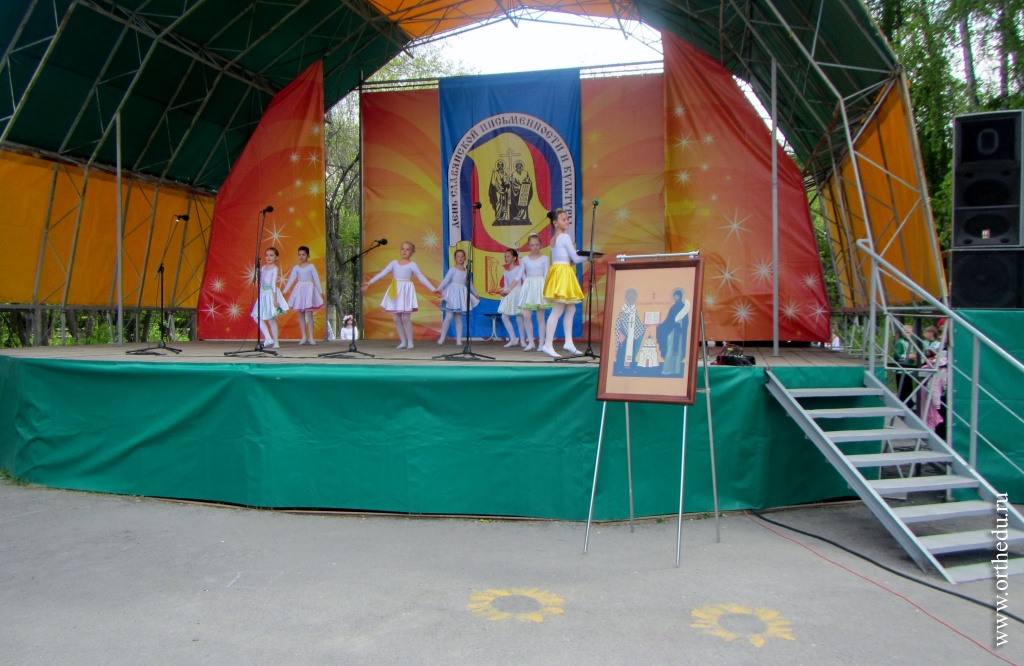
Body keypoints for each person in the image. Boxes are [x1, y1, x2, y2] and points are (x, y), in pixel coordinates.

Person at [361, 241, 437, 349]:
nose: (404, 251)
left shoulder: (412, 264)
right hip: (395, 289)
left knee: (405, 317)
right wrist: (369, 282)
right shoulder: (394, 263)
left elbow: (421, 277)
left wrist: (433, 289)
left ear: (412, 252)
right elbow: (382, 273)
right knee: (396, 318)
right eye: (403, 249)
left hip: (406, 290)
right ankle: (403, 341)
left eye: (407, 249)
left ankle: (410, 342)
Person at [538, 208, 585, 359]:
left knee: (570, 309)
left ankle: (569, 342)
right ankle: (548, 344)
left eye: (567, 219)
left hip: (560, 271)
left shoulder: (553, 239)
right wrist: (589, 256)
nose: (567, 221)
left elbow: (568, 259)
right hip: (563, 273)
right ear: (555, 223)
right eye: (563, 219)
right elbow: (575, 258)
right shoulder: (564, 237)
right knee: (557, 310)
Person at [435, 248, 477, 346]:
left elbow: (470, 283)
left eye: (462, 256)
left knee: (458, 317)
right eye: (458, 256)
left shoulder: (466, 271)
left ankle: (459, 340)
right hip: (452, 294)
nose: (460, 258)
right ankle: (442, 338)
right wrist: (438, 289)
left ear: (465, 258)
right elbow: (446, 280)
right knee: (449, 316)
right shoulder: (453, 269)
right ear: (455, 258)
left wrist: (475, 293)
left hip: (461, 294)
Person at [250, 247, 289, 349]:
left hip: (271, 294)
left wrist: (274, 299)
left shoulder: (275, 269)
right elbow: (262, 282)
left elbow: (273, 284)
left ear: (276, 257)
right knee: (256, 316)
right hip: (263, 293)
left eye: (271, 255)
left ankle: (276, 342)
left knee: (272, 319)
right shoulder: (263, 268)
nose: (268, 257)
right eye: (267, 255)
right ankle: (268, 338)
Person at [283, 245, 324, 345]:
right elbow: (291, 280)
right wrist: (284, 292)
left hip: (309, 289)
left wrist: (321, 292)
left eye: (303, 254)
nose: (301, 256)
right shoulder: (296, 268)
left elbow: (316, 279)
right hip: (300, 290)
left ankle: (311, 337)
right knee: (301, 314)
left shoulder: (311, 266)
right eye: (299, 255)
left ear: (308, 255)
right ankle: (304, 336)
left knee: (309, 313)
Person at [516, 233, 550, 351]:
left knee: (540, 317)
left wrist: (546, 290)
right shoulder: (524, 259)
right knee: (526, 316)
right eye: (532, 245)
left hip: (540, 287)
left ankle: (541, 343)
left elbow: (546, 276)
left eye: (537, 244)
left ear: (540, 245)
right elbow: (519, 274)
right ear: (528, 246)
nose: (535, 247)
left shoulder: (545, 258)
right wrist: (510, 288)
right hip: (529, 287)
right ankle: (531, 342)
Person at [657, 287, 691, 377]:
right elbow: (668, 320)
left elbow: (686, 321)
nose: (676, 298)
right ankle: (667, 369)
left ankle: (676, 370)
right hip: (671, 331)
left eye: (677, 297)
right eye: (674, 297)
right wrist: (660, 326)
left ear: (680, 297)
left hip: (679, 333)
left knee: (677, 351)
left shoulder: (684, 307)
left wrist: (681, 324)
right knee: (669, 349)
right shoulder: (673, 307)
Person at [614, 288, 646, 375]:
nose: (631, 298)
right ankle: (620, 367)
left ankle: (631, 367)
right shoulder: (624, 308)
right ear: (627, 297)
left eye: (633, 297)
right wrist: (621, 332)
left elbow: (637, 321)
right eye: (630, 296)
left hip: (632, 334)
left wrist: (643, 327)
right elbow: (619, 321)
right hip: (624, 334)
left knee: (632, 351)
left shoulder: (634, 308)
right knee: (622, 351)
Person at [497, 248, 526, 348]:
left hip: (518, 294)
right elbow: (506, 285)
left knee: (519, 318)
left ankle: (522, 340)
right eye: (505, 257)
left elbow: (525, 280)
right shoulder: (506, 272)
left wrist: (524, 292)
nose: (506, 258)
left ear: (514, 258)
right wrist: (504, 293)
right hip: (509, 294)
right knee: (504, 317)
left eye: (508, 256)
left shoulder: (519, 269)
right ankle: (513, 339)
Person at [893, 323, 918, 409]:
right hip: (901, 369)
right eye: (907, 332)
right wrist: (908, 357)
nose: (909, 334)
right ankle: (902, 403)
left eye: (910, 333)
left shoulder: (911, 342)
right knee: (902, 387)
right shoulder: (901, 342)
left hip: (909, 368)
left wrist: (914, 357)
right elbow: (897, 356)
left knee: (909, 386)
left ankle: (909, 402)